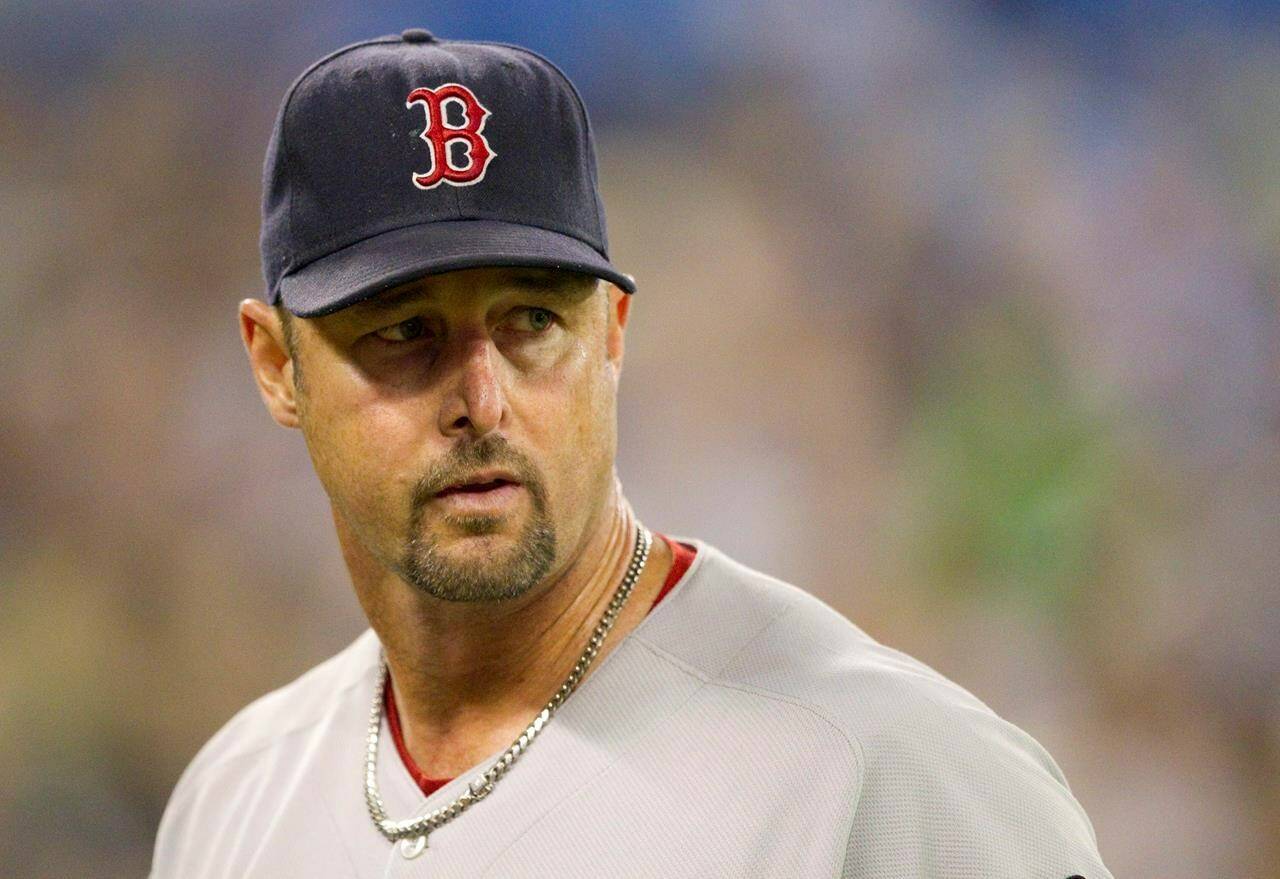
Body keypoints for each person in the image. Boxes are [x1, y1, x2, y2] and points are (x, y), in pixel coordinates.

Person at [149, 28, 1115, 879]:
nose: (482, 401)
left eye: (532, 320)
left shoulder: (888, 775)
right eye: (404, 331)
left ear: (612, 332)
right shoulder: (233, 801)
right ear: (277, 366)